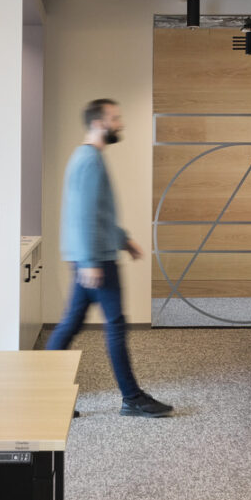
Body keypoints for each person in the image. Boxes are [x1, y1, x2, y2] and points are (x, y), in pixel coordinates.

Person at [45, 99, 173, 417]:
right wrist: (89, 261)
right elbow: (84, 215)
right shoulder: (89, 160)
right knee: (114, 326)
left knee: (70, 325)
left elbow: (98, 214)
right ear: (100, 122)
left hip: (92, 256)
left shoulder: (88, 157)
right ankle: (131, 397)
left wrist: (123, 239)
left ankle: (44, 396)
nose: (121, 123)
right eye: (116, 118)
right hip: (95, 260)